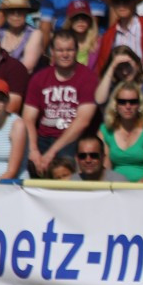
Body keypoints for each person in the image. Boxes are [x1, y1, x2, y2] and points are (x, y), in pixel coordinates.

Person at [23, 29, 98, 175]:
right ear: (52, 51)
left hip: (71, 138)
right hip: (43, 137)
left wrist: (52, 152)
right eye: (60, 50)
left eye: (69, 50)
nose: (65, 54)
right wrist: (33, 151)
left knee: (66, 164)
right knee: (29, 165)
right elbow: (28, 117)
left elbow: (83, 121)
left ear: (76, 50)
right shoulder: (39, 78)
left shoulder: (88, 77)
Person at [98, 81, 143, 182]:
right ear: (115, 104)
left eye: (133, 102)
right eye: (122, 102)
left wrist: (135, 189)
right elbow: (105, 170)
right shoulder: (105, 131)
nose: (128, 106)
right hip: (114, 189)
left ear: (139, 104)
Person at [0, 0, 43, 73]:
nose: (16, 14)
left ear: (26, 12)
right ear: (5, 13)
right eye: (11, 10)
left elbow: (27, 68)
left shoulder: (34, 34)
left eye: (20, 10)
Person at [64, 0, 101, 67]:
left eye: (84, 17)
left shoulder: (99, 44)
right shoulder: (62, 44)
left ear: (90, 20)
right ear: (69, 21)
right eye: (76, 18)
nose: (80, 21)